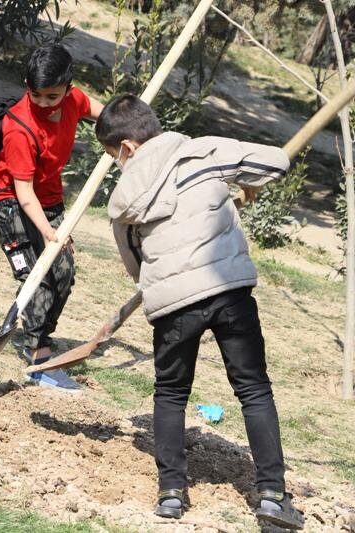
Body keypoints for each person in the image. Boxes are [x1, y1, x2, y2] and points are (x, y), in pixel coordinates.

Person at [95, 94, 304, 530]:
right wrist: (239, 185)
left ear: (128, 148)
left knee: (170, 393)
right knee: (253, 390)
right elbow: (277, 163)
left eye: (114, 155)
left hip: (173, 304)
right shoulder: (207, 151)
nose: (117, 163)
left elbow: (134, 264)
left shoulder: (123, 198)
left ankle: (171, 494)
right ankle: (271, 497)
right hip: (229, 292)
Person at [0, 43, 103, 393]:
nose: (45, 103)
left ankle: (36, 333)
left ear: (68, 87)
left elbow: (102, 113)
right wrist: (49, 232)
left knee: (63, 272)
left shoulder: (73, 99)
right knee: (36, 274)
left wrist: (127, 124)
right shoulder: (19, 127)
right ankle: (39, 356)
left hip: (48, 197)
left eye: (53, 96)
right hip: (9, 200)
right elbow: (23, 193)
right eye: (37, 94)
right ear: (27, 85)